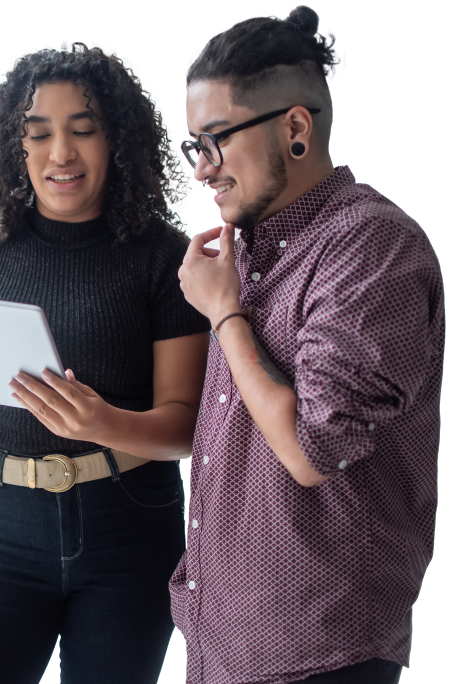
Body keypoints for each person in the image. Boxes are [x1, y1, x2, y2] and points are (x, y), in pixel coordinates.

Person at [0, 41, 214, 684]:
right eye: (38, 135)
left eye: (83, 131)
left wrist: (102, 423)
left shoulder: (161, 256)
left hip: (128, 529)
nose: (60, 154)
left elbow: (185, 425)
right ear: (16, 147)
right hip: (1, 532)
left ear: (118, 141)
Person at [169, 4, 443, 684]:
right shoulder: (241, 254)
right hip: (222, 644)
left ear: (294, 127)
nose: (202, 169)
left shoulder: (373, 247)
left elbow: (312, 451)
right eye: (192, 144)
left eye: (216, 140)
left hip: (321, 652)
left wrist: (227, 315)